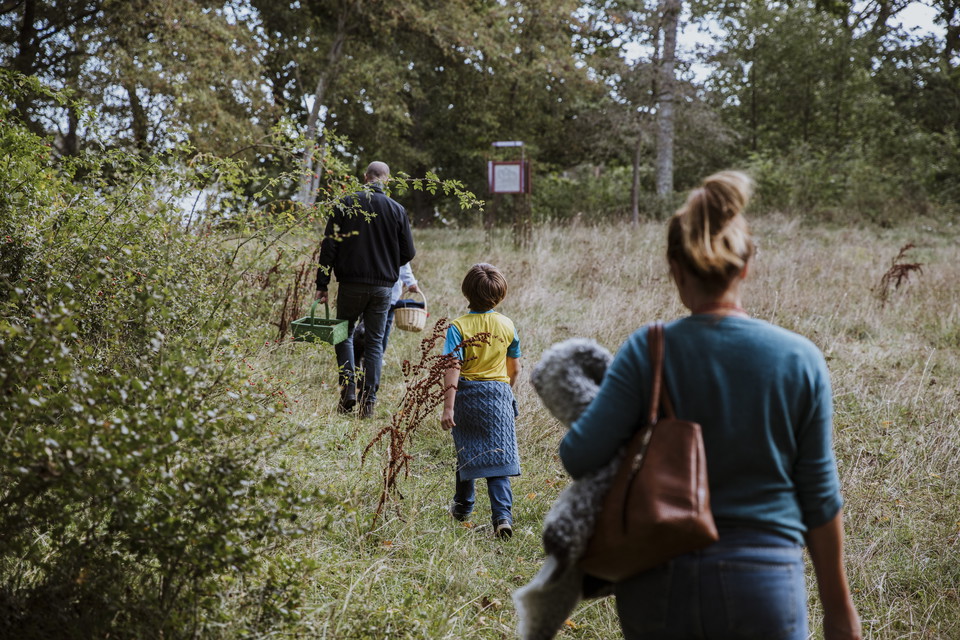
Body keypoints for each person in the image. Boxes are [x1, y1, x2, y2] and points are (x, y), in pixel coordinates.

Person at [559, 171, 862, 640]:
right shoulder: (800, 358)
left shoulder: (647, 350)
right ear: (746, 266)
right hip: (765, 584)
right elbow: (820, 496)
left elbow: (579, 456)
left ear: (675, 269)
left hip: (658, 584)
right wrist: (839, 609)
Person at [316, 161, 416, 419]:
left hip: (350, 283)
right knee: (374, 342)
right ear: (387, 180)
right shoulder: (397, 209)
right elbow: (408, 252)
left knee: (343, 334)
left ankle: (348, 388)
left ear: (365, 177)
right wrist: (388, 263)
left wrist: (322, 284)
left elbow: (329, 246)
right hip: (383, 288)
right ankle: (368, 402)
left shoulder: (346, 203)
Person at [441, 263, 522, 539]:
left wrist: (448, 407)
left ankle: (462, 508)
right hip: (498, 395)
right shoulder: (507, 325)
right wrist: (505, 392)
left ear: (466, 292)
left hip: (467, 396)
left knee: (467, 452)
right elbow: (515, 369)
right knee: (499, 460)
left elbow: (452, 367)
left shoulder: (458, 327)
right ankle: (502, 517)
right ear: (500, 295)